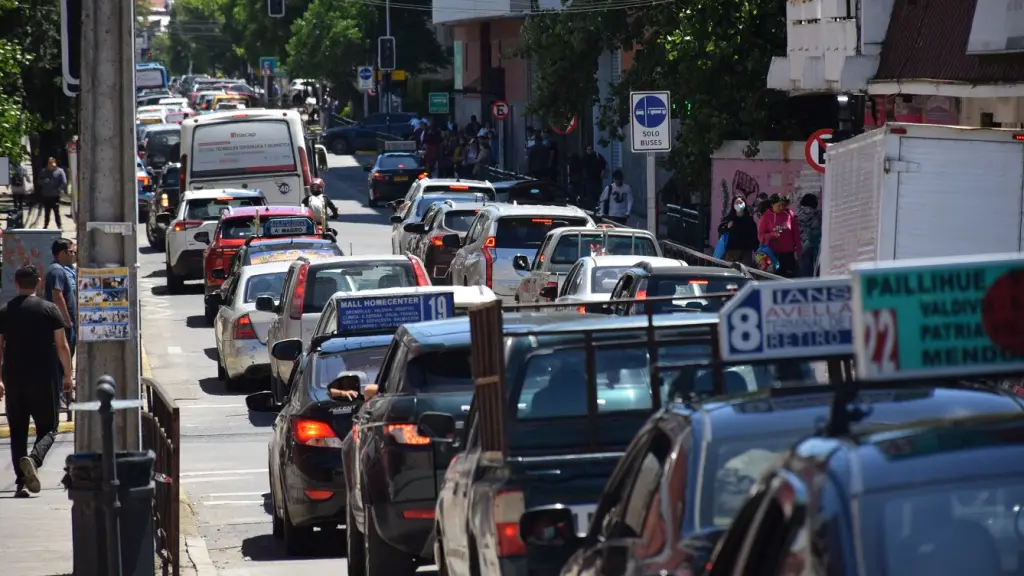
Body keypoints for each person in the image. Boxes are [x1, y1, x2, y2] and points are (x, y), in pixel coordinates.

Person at [0, 264, 74, 497]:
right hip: (44, 378)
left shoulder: (4, 311)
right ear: (39, 282)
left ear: (16, 283)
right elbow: (62, 345)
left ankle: (21, 483)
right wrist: (68, 375)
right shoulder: (50, 309)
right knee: (49, 427)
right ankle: (34, 459)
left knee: (18, 430)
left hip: (13, 378)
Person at [44, 239, 77, 396]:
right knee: (62, 358)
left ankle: (63, 392)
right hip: (63, 324)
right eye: (71, 252)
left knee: (66, 356)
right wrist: (67, 320)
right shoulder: (57, 270)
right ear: (63, 253)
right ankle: (60, 392)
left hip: (65, 322)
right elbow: (57, 295)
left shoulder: (62, 269)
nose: (73, 255)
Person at [758, 193, 802, 277]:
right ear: (772, 204)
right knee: (773, 278)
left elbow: (795, 232)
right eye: (779, 205)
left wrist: (798, 248)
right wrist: (772, 235)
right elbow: (761, 236)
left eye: (783, 205)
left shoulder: (789, 214)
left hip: (788, 253)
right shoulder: (766, 217)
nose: (781, 208)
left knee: (789, 278)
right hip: (772, 254)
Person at [717, 195, 759, 266]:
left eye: (741, 202)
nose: (739, 205)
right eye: (736, 203)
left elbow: (754, 234)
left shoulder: (749, 218)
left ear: (745, 204)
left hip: (746, 251)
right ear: (733, 205)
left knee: (745, 272)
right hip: (732, 250)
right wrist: (727, 227)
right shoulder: (730, 217)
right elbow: (720, 229)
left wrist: (756, 249)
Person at [797, 193, 822, 277]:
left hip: (800, 243)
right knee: (816, 266)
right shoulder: (817, 213)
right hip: (813, 242)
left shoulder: (797, 214)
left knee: (804, 267)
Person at [39, 157, 67, 230]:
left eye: (52, 163)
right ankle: (45, 225)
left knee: (56, 212)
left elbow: (64, 182)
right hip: (46, 195)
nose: (51, 165)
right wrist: (44, 181)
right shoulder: (44, 171)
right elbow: (39, 181)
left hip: (55, 195)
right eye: (50, 163)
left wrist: (60, 188)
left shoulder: (60, 171)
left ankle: (59, 226)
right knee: (46, 212)